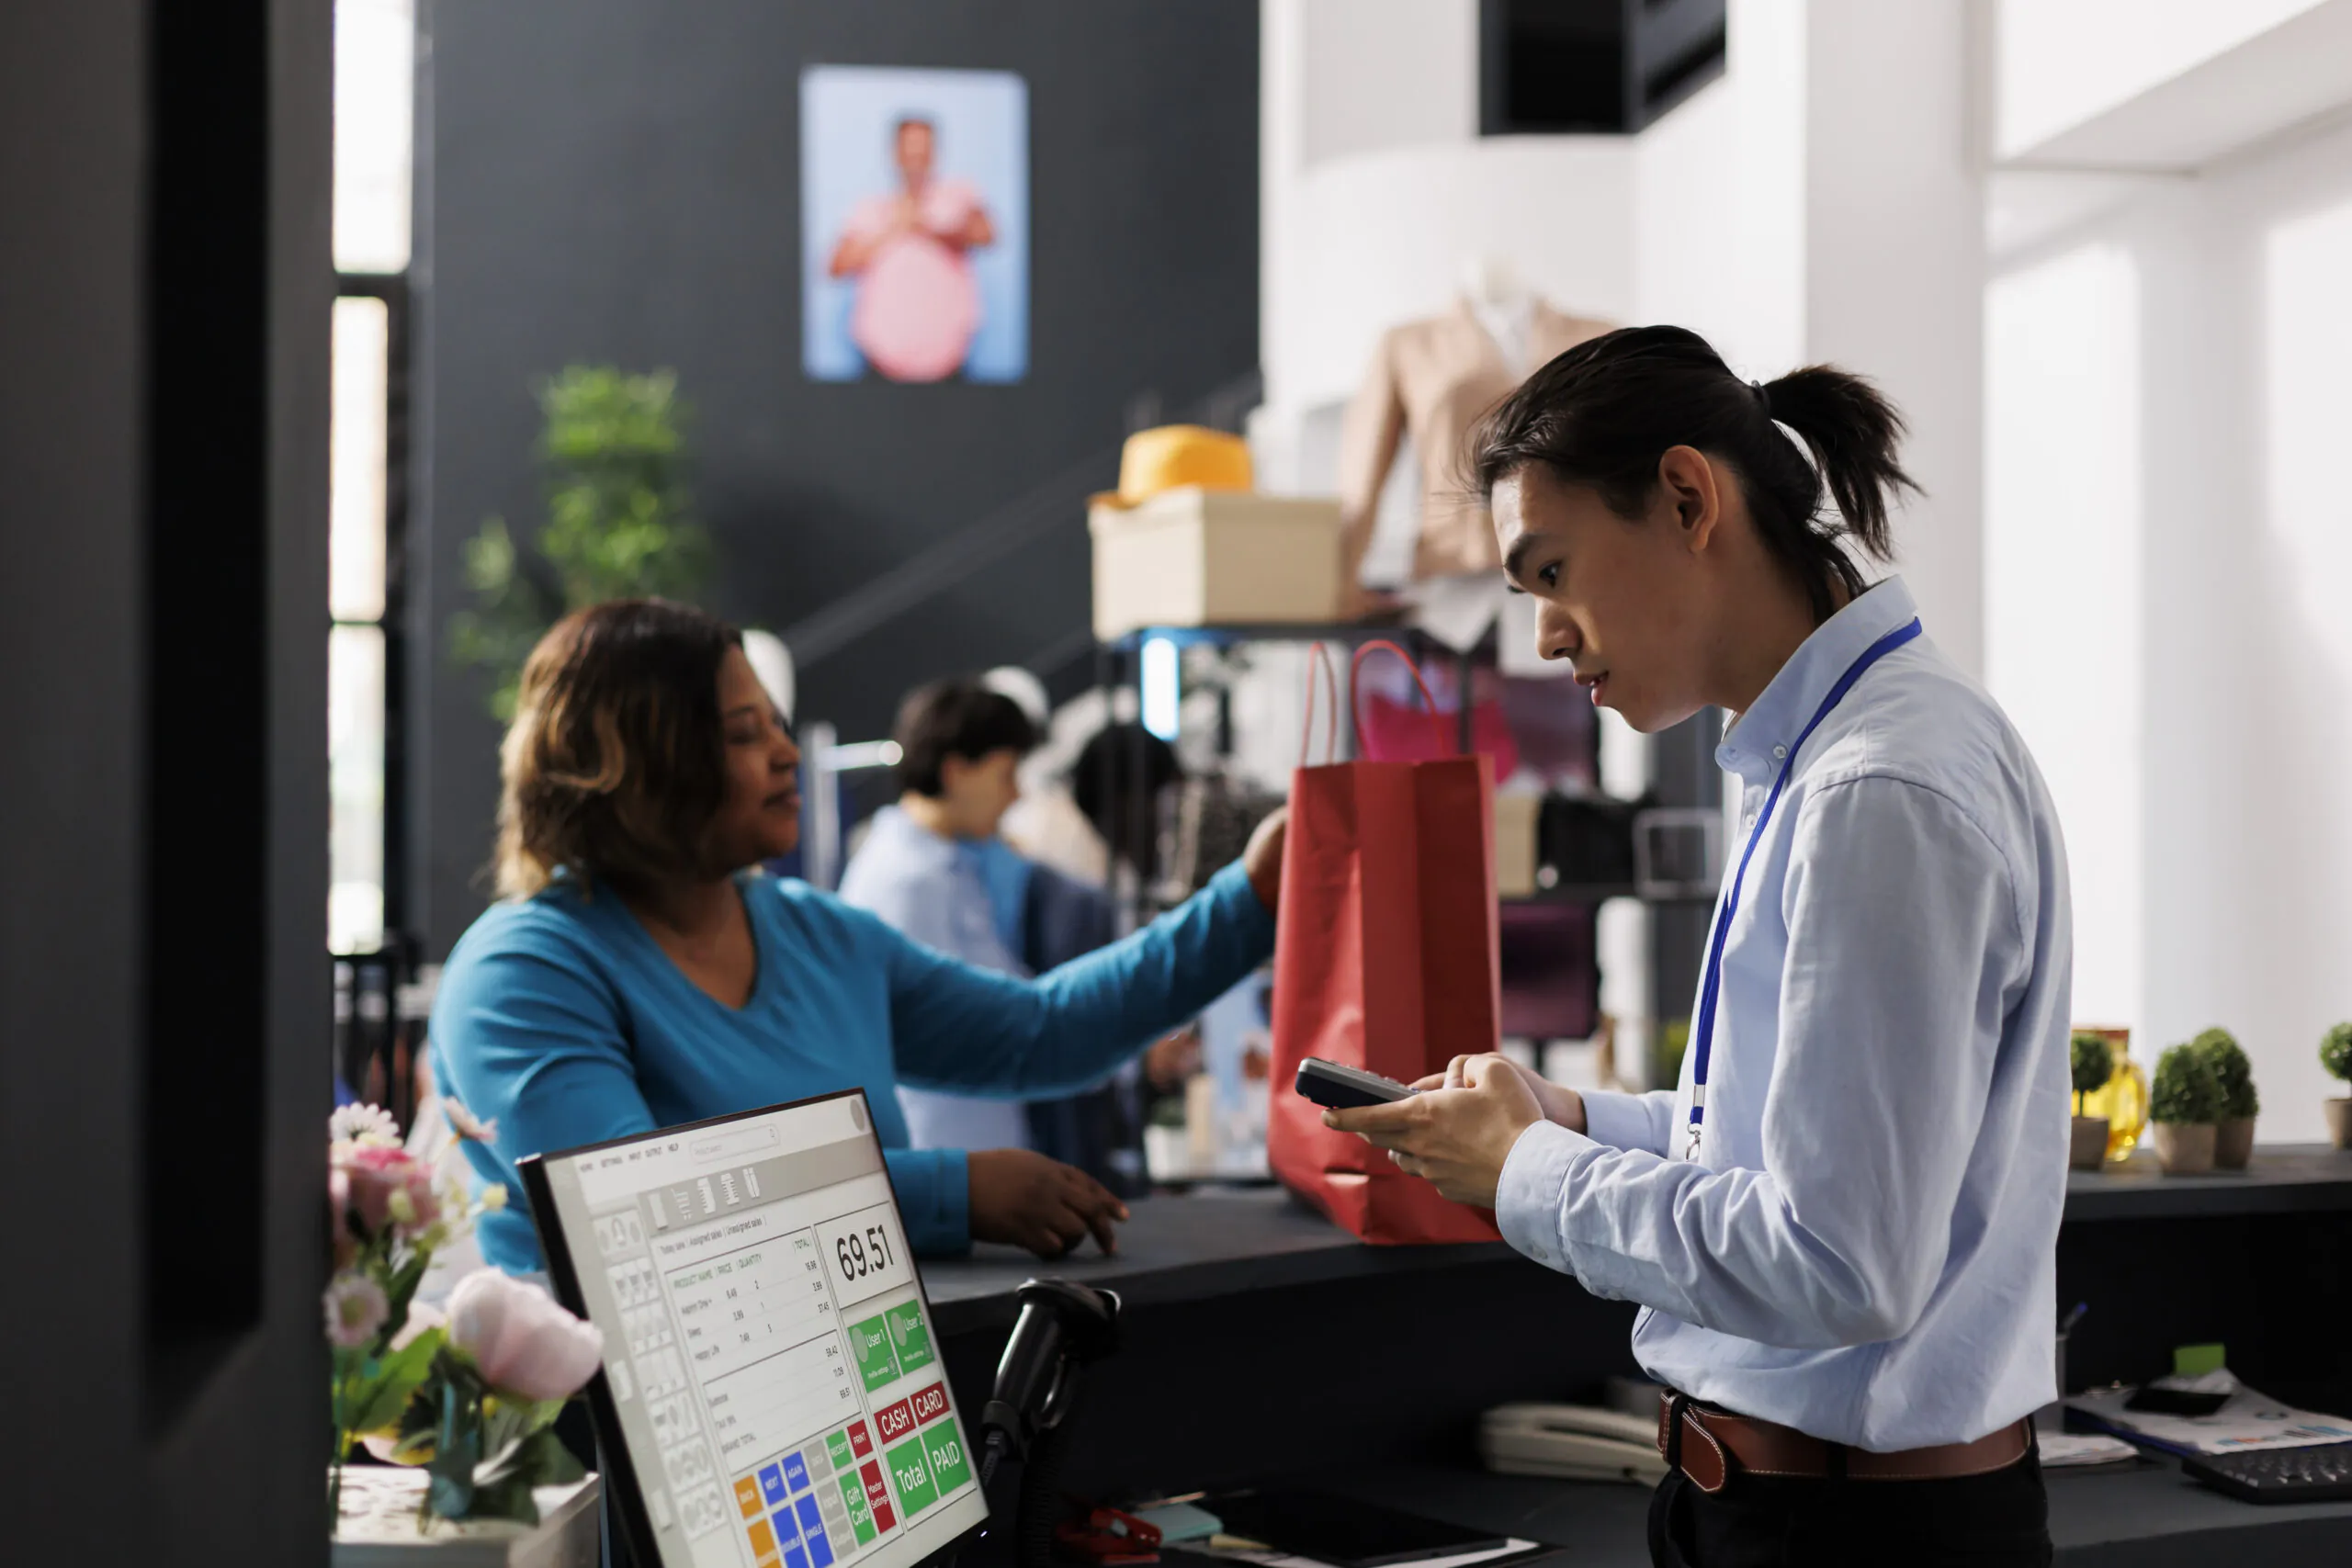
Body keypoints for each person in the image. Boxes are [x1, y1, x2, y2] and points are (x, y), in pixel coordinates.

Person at [1326, 326, 2072, 1568]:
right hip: (1802, 1504)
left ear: (1686, 497)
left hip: (1849, 1530)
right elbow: (1786, 1140)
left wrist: (1528, 1172)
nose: (1550, 637)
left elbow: (1842, 1262)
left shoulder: (1873, 787)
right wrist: (1568, 1112)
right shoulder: (1827, 752)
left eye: (1555, 571)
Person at [431, 600, 1285, 1273]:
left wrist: (1249, 896)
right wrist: (954, 1189)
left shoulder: (818, 934)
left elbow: (1042, 1032)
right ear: (632, 766)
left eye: (773, 724)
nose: (784, 755)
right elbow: (636, 1207)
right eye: (740, 733)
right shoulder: (522, 972)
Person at [838, 678, 1195, 1169]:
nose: (1016, 794)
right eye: (1005, 774)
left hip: (975, 1141)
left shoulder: (950, 863)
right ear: (957, 771)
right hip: (950, 1147)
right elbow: (1000, 1019)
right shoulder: (908, 883)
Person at [826, 114, 995, 382]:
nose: (917, 156)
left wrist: (926, 226)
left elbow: (985, 236)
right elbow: (836, 266)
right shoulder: (871, 209)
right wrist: (895, 226)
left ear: (934, 151)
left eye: (923, 147)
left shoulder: (959, 196)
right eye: (910, 147)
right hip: (879, 367)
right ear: (895, 152)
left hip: (949, 367)